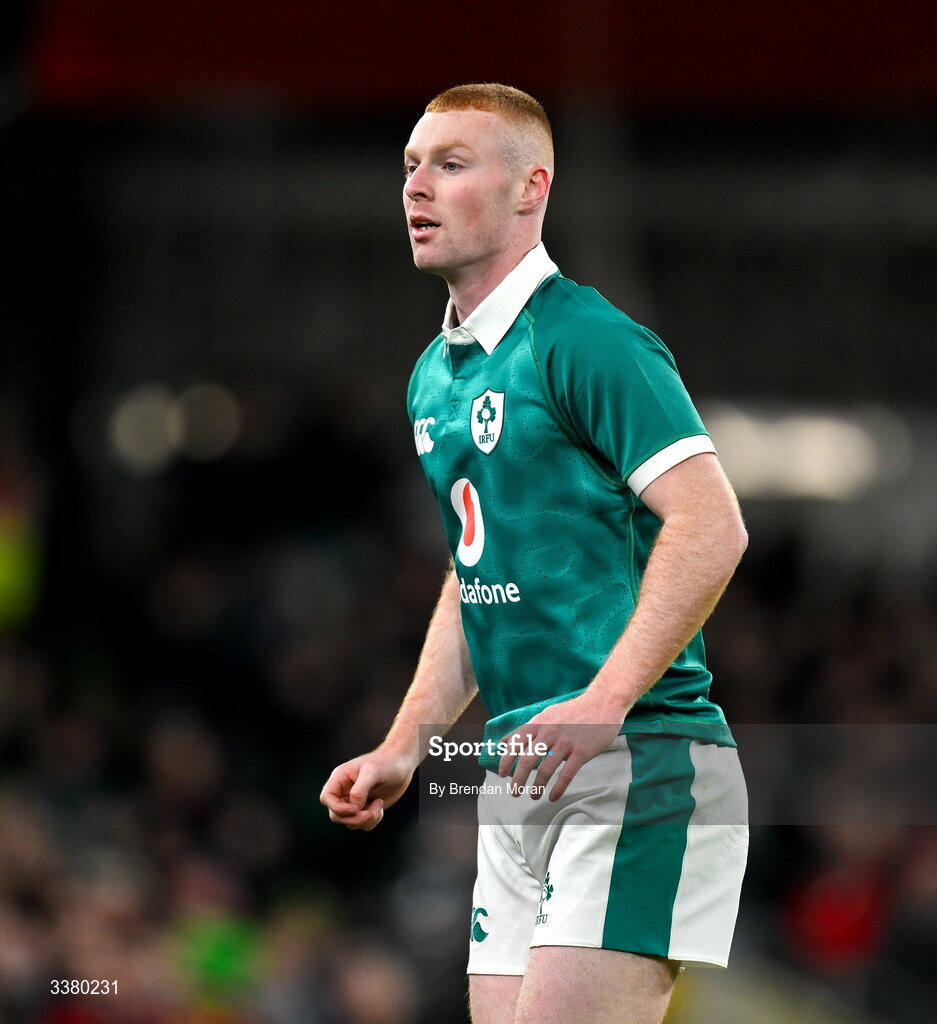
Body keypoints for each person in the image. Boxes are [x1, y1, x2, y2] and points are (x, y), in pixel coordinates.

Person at [321, 83, 749, 1024]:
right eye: (408, 167)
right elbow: (473, 575)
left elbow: (712, 525)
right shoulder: (436, 375)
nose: (415, 188)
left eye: (450, 164)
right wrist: (406, 745)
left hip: (641, 759)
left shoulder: (586, 339)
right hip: (522, 770)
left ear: (530, 189)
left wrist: (601, 705)